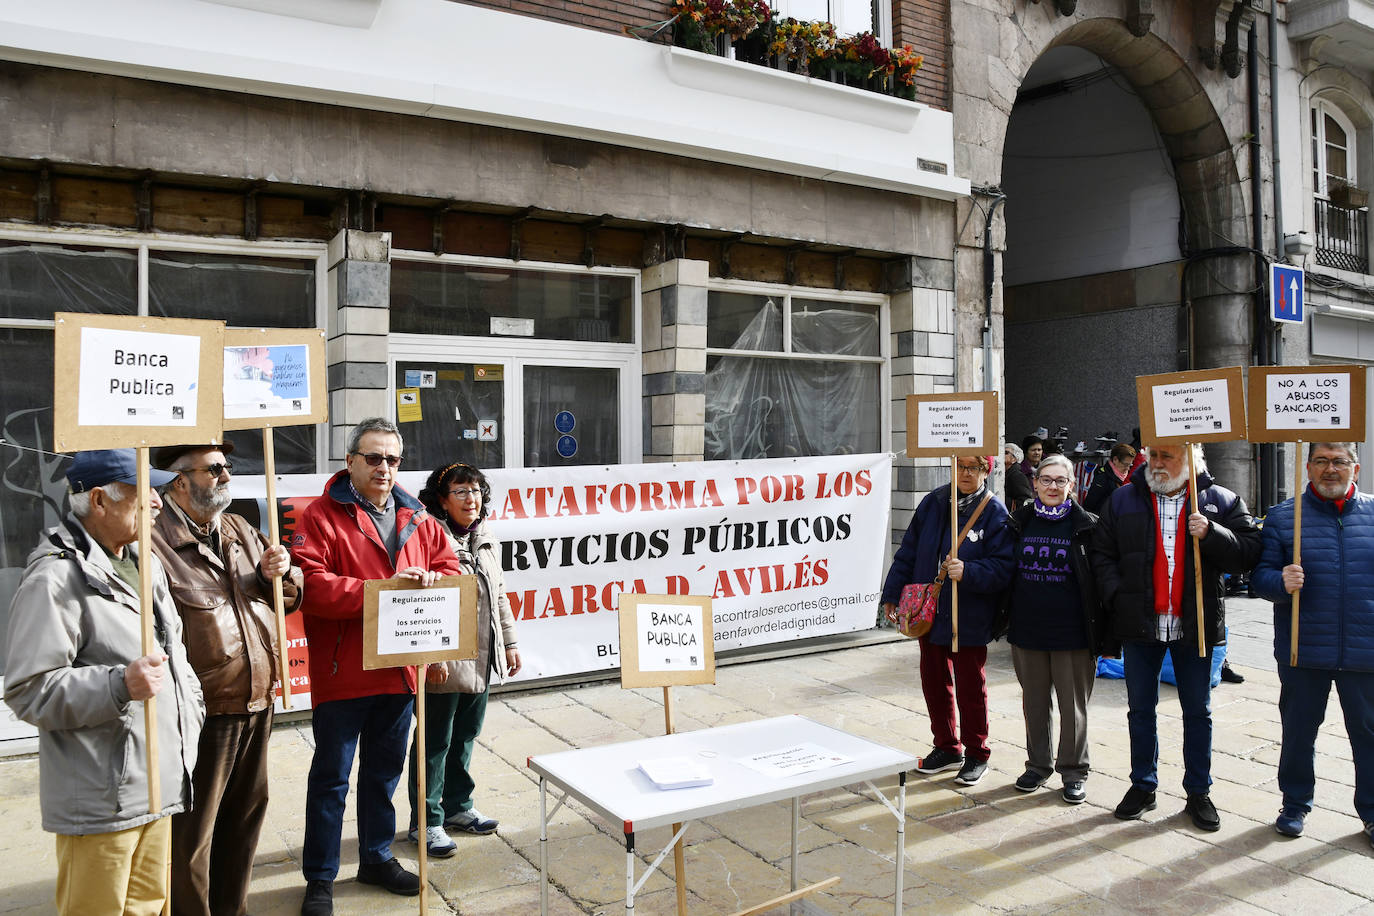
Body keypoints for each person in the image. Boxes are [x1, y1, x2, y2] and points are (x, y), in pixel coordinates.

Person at [4, 449, 204, 916]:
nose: (158, 503)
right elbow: (28, 690)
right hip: (102, 800)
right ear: (99, 500)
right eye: (144, 493)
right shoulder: (55, 578)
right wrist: (118, 684)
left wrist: (190, 713)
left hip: (158, 786)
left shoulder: (142, 563)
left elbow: (174, 658)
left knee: (149, 909)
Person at [290, 418, 462, 916]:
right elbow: (310, 586)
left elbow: (450, 571)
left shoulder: (421, 517)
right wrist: (381, 595)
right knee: (331, 779)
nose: (384, 467)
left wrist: (431, 578)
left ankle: (376, 857)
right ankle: (320, 877)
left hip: (400, 670)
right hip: (344, 672)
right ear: (349, 462)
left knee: (384, 773)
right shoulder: (320, 515)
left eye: (392, 459)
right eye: (373, 457)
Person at [150, 443, 304, 916]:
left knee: (243, 823)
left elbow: (289, 597)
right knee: (192, 838)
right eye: (214, 469)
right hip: (201, 712)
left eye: (226, 467)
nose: (225, 476)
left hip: (257, 698)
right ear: (180, 481)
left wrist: (282, 574)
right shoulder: (153, 539)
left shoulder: (238, 528)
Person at [1091, 443, 1261, 831]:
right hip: (1141, 625)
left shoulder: (1219, 501)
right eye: (1153, 456)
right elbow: (1102, 553)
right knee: (1140, 709)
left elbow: (1250, 553)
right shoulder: (1122, 500)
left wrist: (1213, 533)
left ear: (1191, 460)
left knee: (1197, 712)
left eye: (1168, 456)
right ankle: (1143, 785)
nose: (1157, 464)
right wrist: (1118, 595)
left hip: (1195, 627)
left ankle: (1198, 791)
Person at [1251, 442, 1374, 846]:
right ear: (1307, 467)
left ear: (1354, 467)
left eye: (1339, 461)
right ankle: (1294, 803)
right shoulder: (1286, 518)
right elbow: (1261, 579)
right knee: (1299, 731)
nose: (1330, 469)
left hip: (1365, 649)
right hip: (1303, 649)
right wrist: (1280, 583)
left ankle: (1372, 811)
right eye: (1321, 461)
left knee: (1369, 735)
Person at [406, 462, 522, 857]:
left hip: (482, 654)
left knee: (466, 734)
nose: (471, 499)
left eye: (476, 491)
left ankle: (458, 807)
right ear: (442, 499)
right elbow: (423, 602)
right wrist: (431, 656)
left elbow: (500, 593)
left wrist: (509, 643)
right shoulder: (427, 536)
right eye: (461, 492)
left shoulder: (484, 536)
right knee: (434, 739)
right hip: (445, 655)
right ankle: (426, 821)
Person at [881, 455, 1015, 786]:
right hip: (929, 611)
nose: (966, 473)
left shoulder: (995, 512)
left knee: (971, 685)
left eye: (974, 467)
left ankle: (976, 753)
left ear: (986, 471)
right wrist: (892, 594)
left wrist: (971, 571)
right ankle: (946, 746)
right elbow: (908, 551)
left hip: (968, 614)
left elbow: (1005, 567)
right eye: (960, 466)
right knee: (934, 680)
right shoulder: (934, 502)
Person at [1005, 454, 1112, 804]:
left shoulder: (1089, 526)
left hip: (1074, 633)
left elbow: (1102, 580)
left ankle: (1074, 771)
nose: (1052, 486)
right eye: (1046, 480)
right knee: (1034, 705)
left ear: (1071, 485)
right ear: (1034, 483)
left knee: (1073, 707)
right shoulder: (1017, 522)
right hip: (1028, 630)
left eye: (1060, 481)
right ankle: (1037, 765)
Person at [1083, 443, 1136, 514]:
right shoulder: (1102, 478)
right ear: (1115, 460)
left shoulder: (1128, 477)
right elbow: (1088, 506)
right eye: (1126, 464)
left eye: (1130, 465)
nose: (1128, 468)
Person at [1003, 442, 1034, 511]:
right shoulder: (1005, 473)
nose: (1001, 454)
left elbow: (1025, 501)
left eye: (1006, 452)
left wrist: (1001, 498)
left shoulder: (1017, 476)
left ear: (1014, 459)